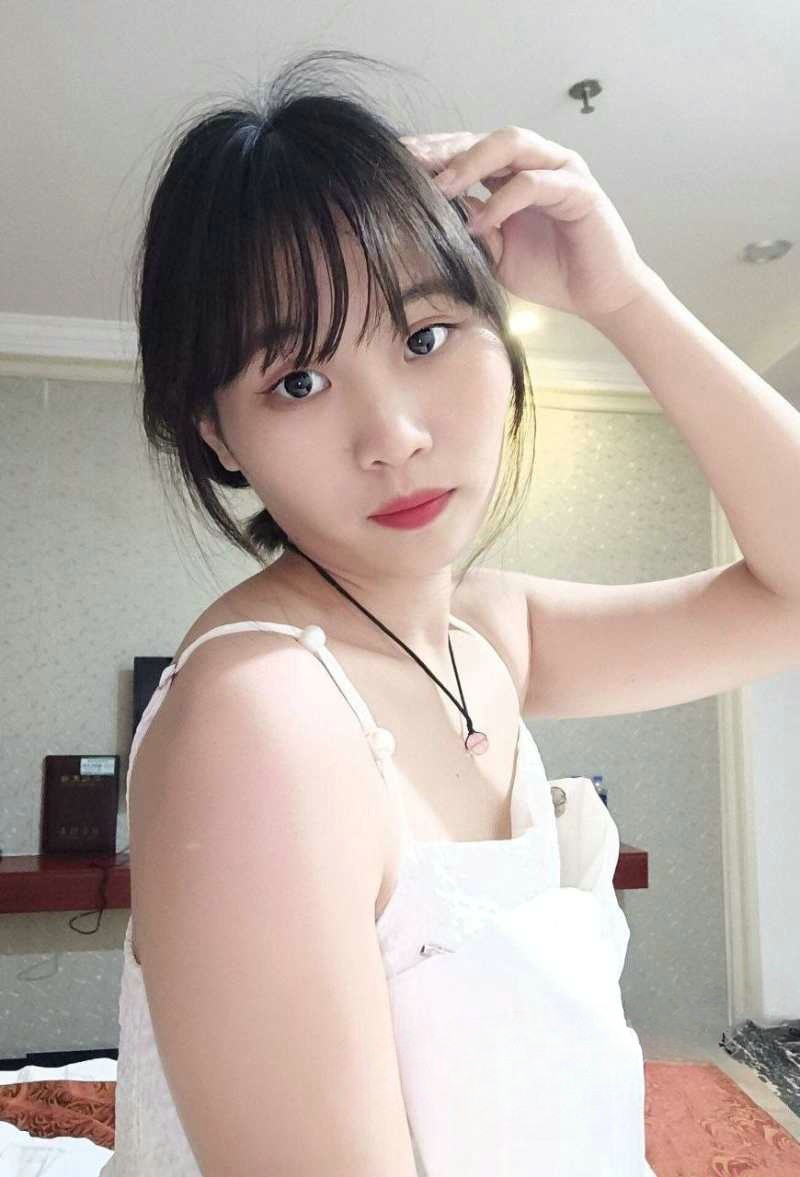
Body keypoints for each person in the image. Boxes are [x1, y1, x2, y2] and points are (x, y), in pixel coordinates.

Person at [102, 47, 682, 1177]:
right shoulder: (260, 718)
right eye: (297, 381)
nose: (395, 437)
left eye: (424, 337)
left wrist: (622, 294)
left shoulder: (487, 636)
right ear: (217, 434)